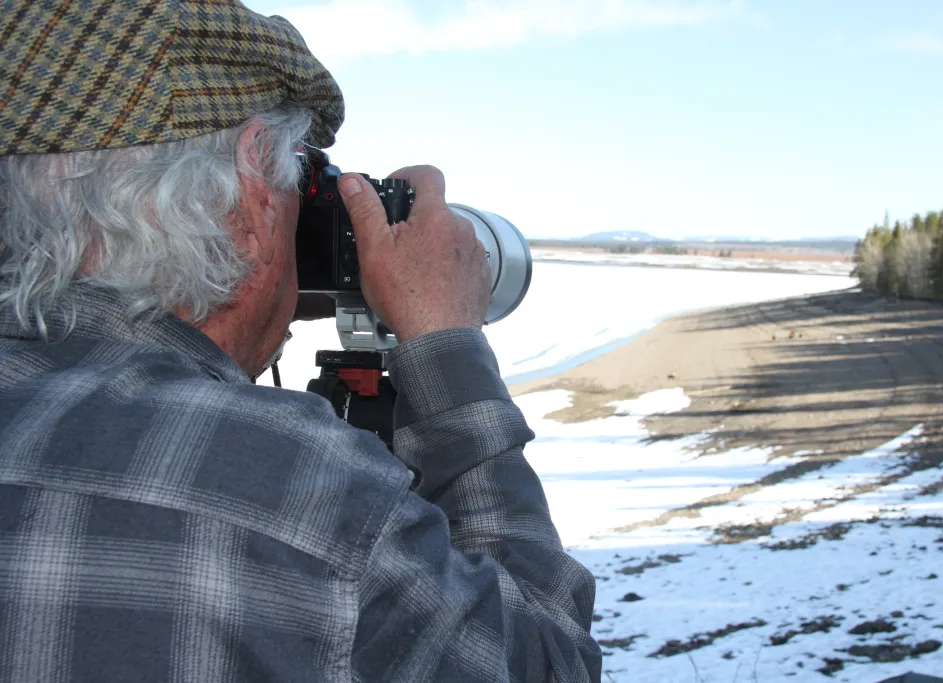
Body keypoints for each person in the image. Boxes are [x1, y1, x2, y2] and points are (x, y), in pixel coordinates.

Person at [0, 1, 601, 681]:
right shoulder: (298, 491)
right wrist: (445, 342)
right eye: (299, 181)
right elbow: (547, 662)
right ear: (257, 198)